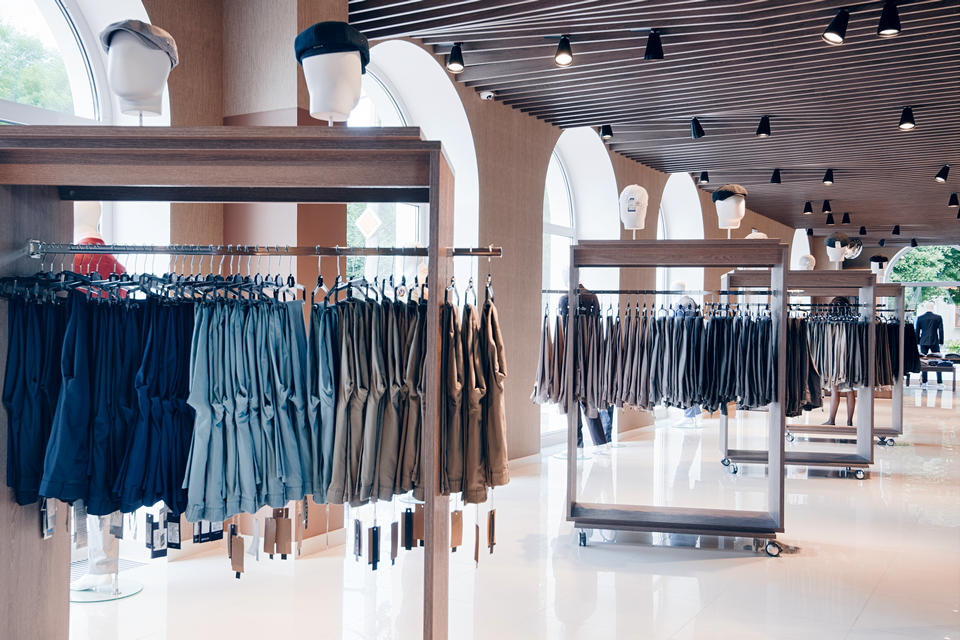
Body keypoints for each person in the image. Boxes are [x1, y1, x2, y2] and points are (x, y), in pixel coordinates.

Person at [559, 285, 612, 447]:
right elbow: (596, 325)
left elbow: (562, 327)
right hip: (590, 351)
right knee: (589, 402)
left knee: (573, 400)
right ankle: (600, 444)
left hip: (570, 352)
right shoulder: (592, 297)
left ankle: (577, 446)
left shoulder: (564, 298)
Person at [823, 296, 856, 426]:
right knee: (850, 390)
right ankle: (849, 421)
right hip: (850, 357)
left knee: (835, 389)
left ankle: (831, 420)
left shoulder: (829, 321)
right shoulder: (852, 321)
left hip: (835, 358)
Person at [916, 301, 945, 386]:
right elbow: (941, 330)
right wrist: (941, 341)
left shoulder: (920, 318)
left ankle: (924, 382)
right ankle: (939, 382)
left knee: (924, 361)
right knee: (938, 361)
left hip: (923, 341)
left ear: (925, 308)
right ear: (933, 308)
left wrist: (917, 342)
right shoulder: (938, 317)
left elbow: (917, 331)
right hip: (934, 341)